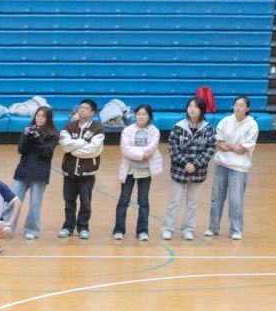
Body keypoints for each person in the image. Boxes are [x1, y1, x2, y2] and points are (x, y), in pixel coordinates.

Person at [161, 99, 214, 242]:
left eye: (196, 107)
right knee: (174, 201)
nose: (192, 109)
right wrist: (185, 163)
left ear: (202, 110)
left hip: (197, 173)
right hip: (179, 171)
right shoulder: (178, 127)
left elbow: (210, 149)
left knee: (192, 203)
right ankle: (168, 229)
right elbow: (172, 148)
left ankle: (188, 229)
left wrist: (195, 165)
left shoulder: (208, 129)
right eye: (190, 106)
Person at [210, 94, 259, 240]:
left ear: (247, 108)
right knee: (216, 198)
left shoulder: (252, 125)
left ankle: (236, 230)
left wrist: (229, 145)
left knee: (236, 201)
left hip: (239, 168)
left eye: (241, 105)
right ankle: (213, 228)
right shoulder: (225, 121)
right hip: (221, 164)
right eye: (236, 105)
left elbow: (242, 149)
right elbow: (219, 143)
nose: (238, 108)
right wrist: (232, 146)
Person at [112, 103, 163, 242]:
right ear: (135, 115)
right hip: (129, 170)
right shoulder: (127, 130)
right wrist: (142, 154)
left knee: (143, 201)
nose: (141, 117)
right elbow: (125, 150)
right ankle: (119, 230)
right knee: (123, 200)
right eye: (139, 114)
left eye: (144, 114)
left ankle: (142, 231)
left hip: (146, 171)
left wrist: (136, 152)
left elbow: (151, 149)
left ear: (149, 116)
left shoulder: (154, 131)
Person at [57, 98, 105, 240]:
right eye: (80, 107)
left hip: (87, 173)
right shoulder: (69, 126)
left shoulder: (97, 128)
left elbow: (93, 150)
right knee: (69, 201)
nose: (82, 110)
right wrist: (82, 142)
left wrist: (74, 148)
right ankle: (68, 227)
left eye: (85, 108)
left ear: (93, 112)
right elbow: (64, 145)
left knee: (86, 202)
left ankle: (83, 227)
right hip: (69, 171)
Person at [13, 104, 58, 240]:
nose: (40, 118)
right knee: (13, 199)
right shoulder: (28, 129)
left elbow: (47, 153)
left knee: (35, 204)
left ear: (48, 119)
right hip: (23, 170)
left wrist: (38, 139)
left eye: (43, 116)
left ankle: (32, 229)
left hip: (39, 172)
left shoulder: (53, 134)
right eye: (38, 115)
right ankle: (7, 225)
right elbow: (21, 149)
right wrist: (27, 136)